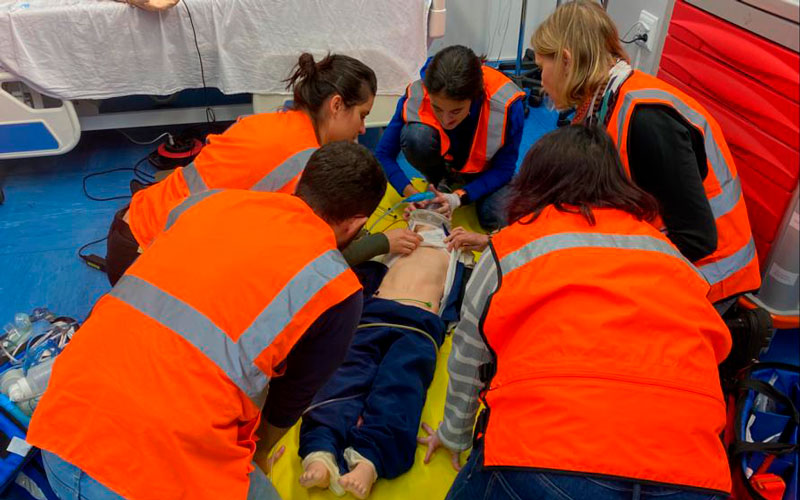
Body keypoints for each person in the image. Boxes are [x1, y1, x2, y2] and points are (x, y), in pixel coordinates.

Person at [26, 142, 387, 500]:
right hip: (142, 478)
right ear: (357, 222)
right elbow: (285, 407)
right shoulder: (337, 289)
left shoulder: (209, 203)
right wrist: (256, 460)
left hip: (57, 432)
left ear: (301, 185)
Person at [418, 125, 733, 500]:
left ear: (534, 182)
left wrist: (454, 433)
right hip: (693, 471)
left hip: (552, 457)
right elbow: (712, 348)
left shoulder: (510, 250)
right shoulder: (672, 258)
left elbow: (469, 355)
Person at [106, 52, 417, 284]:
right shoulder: (302, 163)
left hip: (133, 224)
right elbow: (310, 262)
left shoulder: (275, 122)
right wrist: (381, 243)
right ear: (336, 106)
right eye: (362, 115)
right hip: (143, 261)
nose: (363, 128)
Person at [529, 0, 759, 310]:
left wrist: (613, 269)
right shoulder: (604, 103)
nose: (541, 82)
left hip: (710, 276)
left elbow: (697, 240)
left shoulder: (647, 120)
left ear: (567, 62)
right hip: (666, 250)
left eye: (543, 68)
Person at [297, 210, 461, 499]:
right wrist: (381, 243)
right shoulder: (389, 246)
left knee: (400, 387)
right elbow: (343, 263)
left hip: (419, 326)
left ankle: (370, 460)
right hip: (373, 315)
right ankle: (320, 449)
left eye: (437, 215)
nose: (430, 218)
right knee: (341, 376)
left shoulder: (455, 255)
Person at [374, 45, 525, 231]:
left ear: (474, 97)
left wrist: (459, 197)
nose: (446, 119)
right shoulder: (419, 92)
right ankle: (441, 182)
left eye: (456, 111)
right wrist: (411, 194)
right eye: (437, 108)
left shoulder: (507, 104)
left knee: (499, 217)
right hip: (445, 165)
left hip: (487, 172)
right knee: (416, 137)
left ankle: (455, 189)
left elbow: (504, 169)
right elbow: (383, 154)